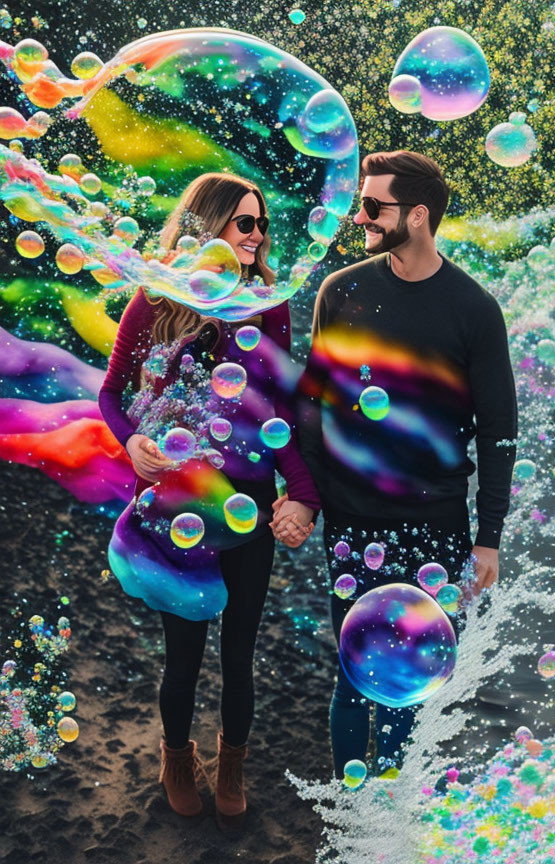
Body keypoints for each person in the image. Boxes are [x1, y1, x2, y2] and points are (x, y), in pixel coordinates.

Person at [287, 150, 518, 778]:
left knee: (410, 678)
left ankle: (387, 811)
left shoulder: (474, 311)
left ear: (417, 217)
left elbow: (499, 432)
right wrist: (306, 495)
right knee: (352, 673)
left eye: (372, 206)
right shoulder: (343, 291)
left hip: (436, 524)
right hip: (353, 518)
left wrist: (487, 537)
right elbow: (311, 403)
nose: (359, 216)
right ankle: (348, 817)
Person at [99, 173, 320, 827]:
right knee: (184, 652)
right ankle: (175, 756)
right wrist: (133, 441)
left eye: (262, 225)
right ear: (209, 228)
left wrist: (301, 493)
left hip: (248, 500)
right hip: (175, 508)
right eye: (243, 223)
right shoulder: (155, 302)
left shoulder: (266, 306)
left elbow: (276, 409)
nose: (256, 236)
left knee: (241, 649)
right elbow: (113, 394)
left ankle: (230, 765)